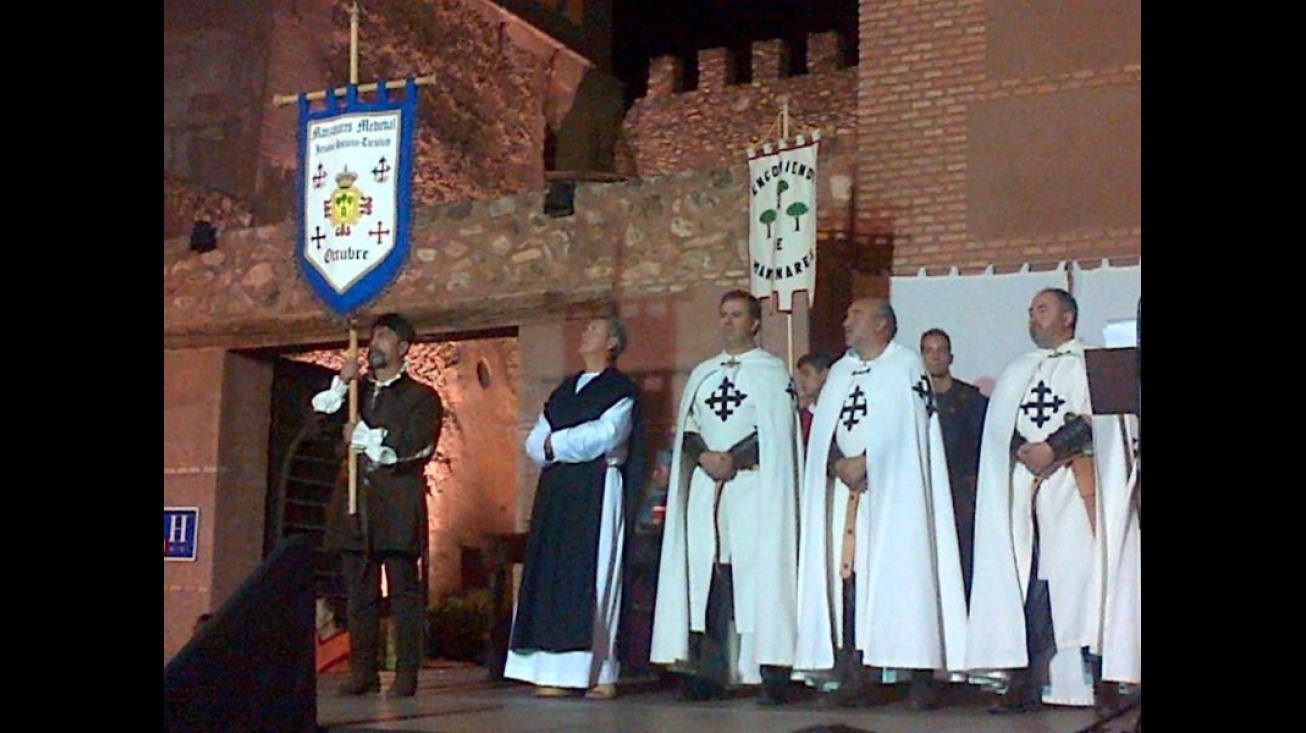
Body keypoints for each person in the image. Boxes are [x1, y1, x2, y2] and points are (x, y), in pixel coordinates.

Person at [966, 288, 1142, 715]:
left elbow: (1099, 422)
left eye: (1042, 310)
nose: (1033, 318)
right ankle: (1025, 680)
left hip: (1075, 490)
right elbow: (999, 429)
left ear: (1068, 317)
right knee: (1029, 585)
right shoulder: (1017, 370)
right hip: (1027, 494)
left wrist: (1053, 449)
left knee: (1084, 582)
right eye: (1030, 312)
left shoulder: (1092, 365)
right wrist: (1024, 450)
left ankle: (1096, 679)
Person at [793, 298, 966, 711]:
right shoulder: (840, 372)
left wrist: (869, 461)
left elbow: (911, 430)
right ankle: (857, 675)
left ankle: (920, 674)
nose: (845, 320)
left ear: (883, 324)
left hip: (895, 494)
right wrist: (838, 463)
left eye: (856, 315)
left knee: (907, 575)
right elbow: (825, 432)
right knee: (850, 581)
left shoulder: (906, 366)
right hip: (847, 494)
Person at [650, 290, 801, 706]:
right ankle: (707, 673)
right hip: (706, 489)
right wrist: (704, 456)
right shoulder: (703, 373)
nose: (728, 322)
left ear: (754, 323)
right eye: (723, 315)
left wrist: (734, 458)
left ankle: (769, 671)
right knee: (707, 579)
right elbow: (691, 426)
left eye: (736, 315)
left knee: (758, 575)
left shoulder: (771, 372)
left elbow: (777, 430)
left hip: (752, 489)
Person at [504, 316, 645, 699]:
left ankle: (600, 672)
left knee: (595, 577)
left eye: (595, 330)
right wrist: (554, 446)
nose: (585, 334)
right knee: (555, 577)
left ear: (612, 342)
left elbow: (604, 436)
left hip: (596, 488)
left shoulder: (620, 390)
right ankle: (554, 670)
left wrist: (556, 445)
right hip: (558, 490)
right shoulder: (566, 390)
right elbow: (535, 441)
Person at [312, 312, 444, 698]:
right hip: (355, 505)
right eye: (374, 336)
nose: (375, 343)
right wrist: (340, 386)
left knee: (403, 593)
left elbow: (415, 448)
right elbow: (318, 430)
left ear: (403, 348)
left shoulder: (421, 398)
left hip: (396, 507)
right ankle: (362, 671)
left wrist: (368, 438)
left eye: (384, 337)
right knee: (359, 593)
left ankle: (405, 673)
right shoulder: (357, 393)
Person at [920, 328, 988, 604]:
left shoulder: (971, 401)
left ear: (950, 356)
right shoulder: (913, 400)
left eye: (940, 350)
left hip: (963, 499)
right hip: (925, 497)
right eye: (928, 350)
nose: (934, 357)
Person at [793, 352, 834, 449]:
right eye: (800, 375)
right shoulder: (802, 417)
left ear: (825, 374)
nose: (801, 380)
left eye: (807, 374)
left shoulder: (837, 414)